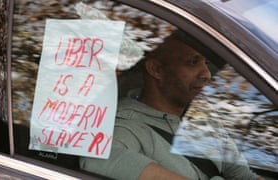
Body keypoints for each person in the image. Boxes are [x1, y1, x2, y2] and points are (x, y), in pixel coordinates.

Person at [79, 31, 264, 180]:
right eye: (193, 62)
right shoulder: (127, 126)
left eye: (205, 63)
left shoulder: (204, 122)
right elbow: (99, 159)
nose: (207, 74)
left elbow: (244, 176)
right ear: (156, 70)